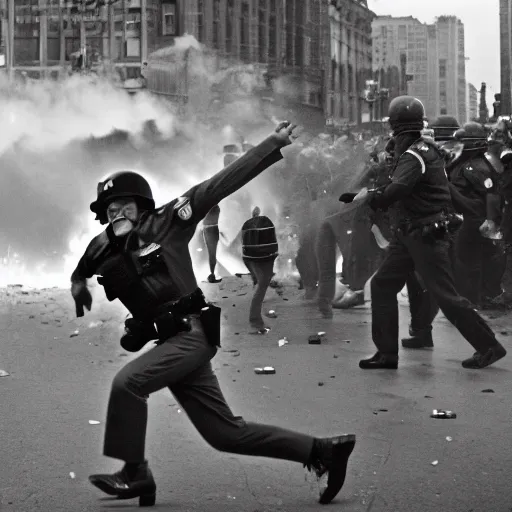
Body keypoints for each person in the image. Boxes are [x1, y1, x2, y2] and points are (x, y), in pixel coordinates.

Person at [70, 122, 356, 507]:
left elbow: (219, 184)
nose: (118, 213)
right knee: (225, 434)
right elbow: (83, 265)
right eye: (111, 209)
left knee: (128, 384)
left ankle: (135, 473)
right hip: (172, 340)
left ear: (142, 207)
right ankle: (323, 452)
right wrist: (77, 284)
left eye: (125, 206)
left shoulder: (167, 222)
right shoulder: (102, 244)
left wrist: (270, 143)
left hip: (192, 333)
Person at [353, 96, 507, 370]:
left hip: (424, 235)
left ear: (395, 124)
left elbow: (399, 187)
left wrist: (373, 197)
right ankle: (387, 353)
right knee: (383, 284)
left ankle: (489, 346)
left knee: (446, 295)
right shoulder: (427, 150)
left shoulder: (414, 154)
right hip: (411, 235)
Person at [449, 122, 502, 307]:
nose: (457, 146)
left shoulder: (477, 166)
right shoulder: (463, 164)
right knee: (464, 260)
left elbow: (492, 195)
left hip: (473, 220)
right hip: (464, 218)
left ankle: (471, 300)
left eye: (461, 142)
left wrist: (489, 219)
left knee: (468, 261)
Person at [241, 206, 278, 334]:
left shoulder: (249, 226)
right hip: (264, 259)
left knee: (260, 286)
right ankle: (256, 322)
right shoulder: (262, 225)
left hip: (250, 258)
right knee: (261, 288)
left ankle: (259, 316)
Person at [202, 204, 223, 283]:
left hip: (210, 229)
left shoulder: (209, 204)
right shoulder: (212, 205)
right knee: (213, 253)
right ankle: (212, 275)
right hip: (211, 229)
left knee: (212, 253)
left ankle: (212, 274)